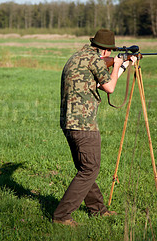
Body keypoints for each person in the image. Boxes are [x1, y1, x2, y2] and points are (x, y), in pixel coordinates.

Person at [53, 29, 136, 226]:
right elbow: (110, 88)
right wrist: (116, 65)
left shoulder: (78, 57)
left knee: (85, 168)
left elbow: (100, 83)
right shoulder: (96, 60)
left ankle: (98, 210)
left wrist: (121, 65)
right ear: (106, 51)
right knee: (89, 170)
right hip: (84, 125)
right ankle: (62, 216)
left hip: (68, 123)